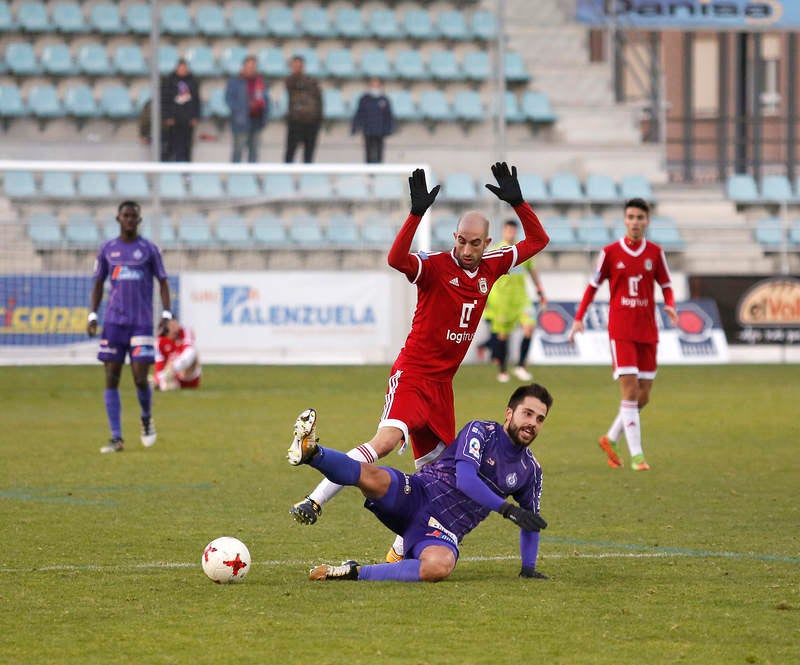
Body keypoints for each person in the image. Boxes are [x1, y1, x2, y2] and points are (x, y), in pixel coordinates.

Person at [289, 162, 550, 564]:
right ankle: (315, 499)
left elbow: (539, 239)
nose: (466, 250)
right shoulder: (434, 266)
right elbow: (396, 258)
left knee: (441, 480)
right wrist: (415, 215)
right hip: (413, 374)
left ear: (487, 243)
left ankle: (399, 554)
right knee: (386, 442)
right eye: (461, 241)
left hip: (442, 388)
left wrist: (519, 202)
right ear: (454, 238)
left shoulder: (493, 266)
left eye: (475, 243)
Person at [286, 383, 553, 582]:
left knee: (439, 567)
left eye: (539, 419)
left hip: (442, 531)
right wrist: (507, 509)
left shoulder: (530, 470)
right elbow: (467, 480)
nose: (532, 423)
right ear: (509, 413)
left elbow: (530, 520)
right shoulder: (481, 431)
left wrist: (528, 568)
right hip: (418, 494)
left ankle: (351, 572)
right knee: (373, 476)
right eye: (527, 414)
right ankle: (311, 452)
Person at [568, 197, 678, 471]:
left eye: (640, 217)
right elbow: (592, 287)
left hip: (648, 330)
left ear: (647, 221)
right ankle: (637, 456)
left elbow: (666, 285)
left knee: (644, 396)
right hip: (621, 330)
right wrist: (579, 318)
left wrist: (670, 305)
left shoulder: (655, 252)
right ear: (625, 220)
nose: (635, 222)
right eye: (631, 217)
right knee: (629, 391)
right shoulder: (610, 252)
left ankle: (610, 437)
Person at [87, 201, 171, 454]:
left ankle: (146, 418)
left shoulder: (149, 250)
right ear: (118, 218)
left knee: (138, 377)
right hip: (114, 322)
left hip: (141, 323)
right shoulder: (107, 250)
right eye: (126, 215)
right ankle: (116, 438)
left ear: (139, 219)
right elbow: (99, 283)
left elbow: (163, 282)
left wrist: (166, 314)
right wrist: (92, 314)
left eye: (134, 216)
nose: (130, 219)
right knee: (111, 377)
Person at [482, 219, 547, 383]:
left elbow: (532, 270)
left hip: (521, 299)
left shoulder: (522, 250)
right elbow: (486, 274)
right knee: (503, 336)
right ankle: (503, 370)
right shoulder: (496, 250)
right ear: (504, 231)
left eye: (513, 230)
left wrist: (540, 290)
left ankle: (521, 366)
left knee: (529, 328)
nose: (511, 232)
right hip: (502, 300)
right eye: (508, 229)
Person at [225, 55, 270, 163]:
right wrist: (240, 110)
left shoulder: (260, 82)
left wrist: (265, 115)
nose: (251, 69)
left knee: (254, 151)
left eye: (253, 66)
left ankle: (252, 176)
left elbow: (266, 100)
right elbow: (229, 99)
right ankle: (235, 176)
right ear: (244, 67)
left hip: (257, 120)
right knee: (238, 150)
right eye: (248, 66)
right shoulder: (235, 81)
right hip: (241, 121)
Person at [284, 55, 323, 163]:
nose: (298, 67)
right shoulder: (290, 80)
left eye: (299, 65)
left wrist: (319, 118)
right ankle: (286, 176)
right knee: (290, 153)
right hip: (295, 121)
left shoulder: (312, 81)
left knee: (309, 154)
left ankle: (308, 178)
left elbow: (319, 100)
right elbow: (291, 85)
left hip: (311, 121)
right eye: (295, 65)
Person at [161, 59, 200, 162]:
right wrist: (167, 116)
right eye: (181, 67)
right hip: (173, 120)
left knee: (187, 147)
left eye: (185, 67)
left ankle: (186, 172)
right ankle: (169, 170)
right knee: (171, 146)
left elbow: (196, 101)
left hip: (187, 120)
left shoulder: (193, 82)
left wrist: (195, 116)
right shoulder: (168, 82)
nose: (183, 70)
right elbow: (164, 100)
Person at [351, 78, 394, 163]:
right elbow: (359, 113)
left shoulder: (384, 99)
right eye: (373, 86)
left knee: (379, 151)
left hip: (380, 130)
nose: (375, 88)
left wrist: (389, 129)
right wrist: (355, 127)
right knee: (368, 151)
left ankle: (379, 169)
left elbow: (388, 115)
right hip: (368, 130)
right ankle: (369, 171)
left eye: (377, 86)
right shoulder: (364, 99)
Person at [153, 318, 201, 391]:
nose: (176, 327)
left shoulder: (185, 332)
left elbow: (190, 351)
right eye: (172, 325)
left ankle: (165, 376)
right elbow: (159, 367)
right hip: (174, 378)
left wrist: (173, 367)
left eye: (176, 324)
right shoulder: (159, 343)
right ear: (165, 328)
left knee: (193, 353)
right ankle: (164, 381)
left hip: (189, 374)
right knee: (165, 386)